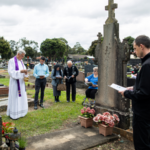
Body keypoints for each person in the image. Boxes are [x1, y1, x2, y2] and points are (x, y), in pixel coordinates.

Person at [119, 35, 150, 150]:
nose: (134, 51)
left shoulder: (147, 65)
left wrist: (125, 93)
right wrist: (133, 87)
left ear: (141, 46)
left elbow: (144, 94)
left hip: (143, 114)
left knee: (142, 144)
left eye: (135, 48)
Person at [7, 50, 28, 120]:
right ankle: (14, 114)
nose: (22, 57)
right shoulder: (11, 61)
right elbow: (11, 72)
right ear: (18, 54)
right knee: (15, 97)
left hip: (21, 82)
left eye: (23, 56)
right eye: (22, 56)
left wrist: (25, 72)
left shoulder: (21, 61)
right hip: (15, 82)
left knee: (21, 97)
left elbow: (24, 69)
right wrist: (20, 71)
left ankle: (21, 112)